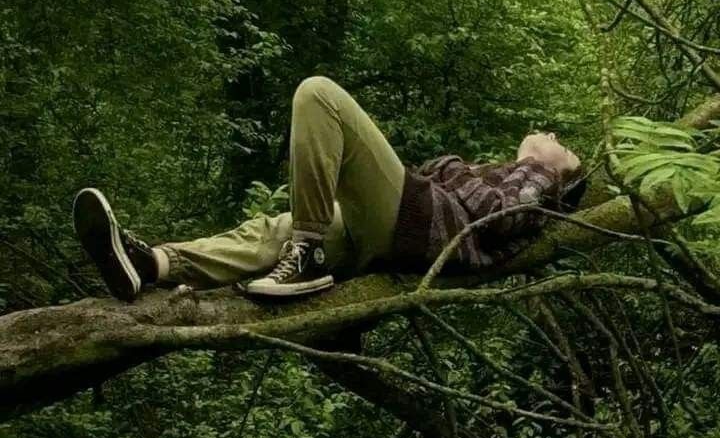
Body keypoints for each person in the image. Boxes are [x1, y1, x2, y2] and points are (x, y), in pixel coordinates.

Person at [72, 76, 584, 303]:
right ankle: (153, 265)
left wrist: (539, 163)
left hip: (418, 226)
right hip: (397, 232)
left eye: (560, 143)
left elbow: (494, 216)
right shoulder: (515, 177)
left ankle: (308, 255)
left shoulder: (538, 186)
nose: (551, 135)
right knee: (275, 229)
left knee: (319, 95)